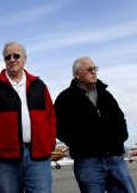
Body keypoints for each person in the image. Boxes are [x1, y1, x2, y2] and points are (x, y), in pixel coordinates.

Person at [0, 42, 56, 193]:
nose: (12, 59)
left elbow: (50, 117)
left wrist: (49, 143)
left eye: (16, 56)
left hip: (38, 157)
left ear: (24, 58)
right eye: (7, 57)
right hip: (6, 159)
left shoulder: (39, 86)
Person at [55, 57, 136, 193]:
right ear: (77, 74)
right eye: (89, 70)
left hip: (114, 158)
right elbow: (58, 126)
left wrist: (119, 140)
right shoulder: (65, 98)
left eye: (95, 69)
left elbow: (120, 119)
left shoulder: (105, 95)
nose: (94, 72)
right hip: (87, 161)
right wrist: (78, 144)